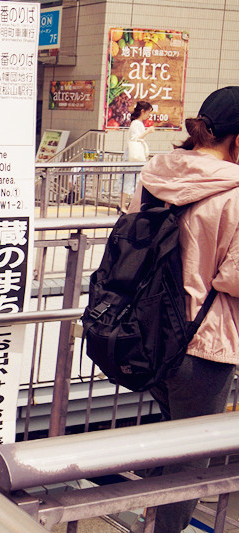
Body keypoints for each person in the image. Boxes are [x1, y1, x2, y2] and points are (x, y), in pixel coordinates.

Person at [127, 86, 239, 533]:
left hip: (148, 332)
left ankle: (146, 514)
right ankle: (161, 527)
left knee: (169, 437)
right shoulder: (234, 194)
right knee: (192, 459)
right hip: (203, 342)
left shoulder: (156, 175)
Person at [120, 100, 155, 212]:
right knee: (129, 179)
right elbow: (135, 138)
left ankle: (126, 205)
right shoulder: (136, 124)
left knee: (132, 179)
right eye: (148, 112)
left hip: (134, 154)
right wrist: (148, 131)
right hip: (133, 155)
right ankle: (122, 205)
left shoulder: (137, 123)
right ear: (142, 111)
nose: (149, 115)